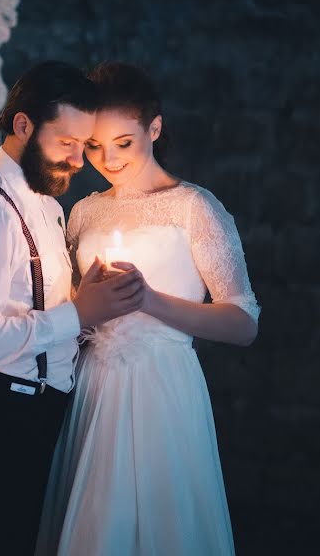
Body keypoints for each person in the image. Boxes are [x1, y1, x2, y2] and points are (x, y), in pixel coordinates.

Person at [36, 62, 260, 555]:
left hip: (164, 385)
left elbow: (243, 323)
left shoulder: (193, 208)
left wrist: (151, 301)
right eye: (93, 145)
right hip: (93, 384)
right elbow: (72, 309)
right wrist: (82, 304)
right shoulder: (85, 211)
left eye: (123, 142)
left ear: (153, 128)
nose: (107, 159)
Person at [0, 61, 146, 556]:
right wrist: (78, 314)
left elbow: (29, 310)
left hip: (31, 416)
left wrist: (83, 302)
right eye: (65, 142)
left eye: (81, 145)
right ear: (23, 125)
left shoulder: (45, 206)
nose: (76, 160)